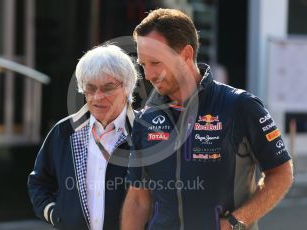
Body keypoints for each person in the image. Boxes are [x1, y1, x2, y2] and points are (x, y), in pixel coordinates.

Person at [122, 8, 293, 230]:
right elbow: (137, 199)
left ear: (185, 54)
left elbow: (281, 173)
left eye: (156, 63)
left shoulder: (240, 106)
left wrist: (236, 222)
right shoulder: (145, 118)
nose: (149, 75)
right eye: (143, 65)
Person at [28, 44, 138, 230]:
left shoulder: (144, 133)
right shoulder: (64, 131)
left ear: (127, 88)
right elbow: (39, 181)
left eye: (108, 88)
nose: (97, 97)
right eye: (90, 88)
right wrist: (57, 215)